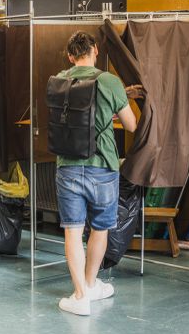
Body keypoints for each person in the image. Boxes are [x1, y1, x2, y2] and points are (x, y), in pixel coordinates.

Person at [54, 31, 138, 316]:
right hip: (103, 167)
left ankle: (80, 295)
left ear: (70, 56)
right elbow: (131, 125)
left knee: (73, 231)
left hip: (67, 166)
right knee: (100, 230)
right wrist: (118, 103)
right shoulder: (110, 81)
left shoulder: (60, 79)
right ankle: (90, 285)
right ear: (95, 51)